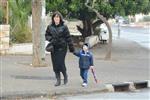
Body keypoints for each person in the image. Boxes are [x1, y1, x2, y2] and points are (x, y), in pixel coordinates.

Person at [45, 11, 75, 86]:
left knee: (60, 63)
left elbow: (68, 38)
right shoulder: (50, 27)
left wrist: (72, 48)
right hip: (53, 48)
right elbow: (46, 35)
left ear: (60, 18)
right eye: (55, 17)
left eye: (58, 17)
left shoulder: (64, 27)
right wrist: (51, 39)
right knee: (55, 64)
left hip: (62, 48)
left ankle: (65, 75)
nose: (56, 18)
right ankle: (58, 80)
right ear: (53, 18)